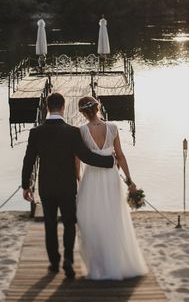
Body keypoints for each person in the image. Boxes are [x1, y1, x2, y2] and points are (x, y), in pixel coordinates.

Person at [21, 92, 115, 279]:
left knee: (50, 224)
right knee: (69, 224)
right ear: (63, 108)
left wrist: (26, 185)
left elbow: (28, 161)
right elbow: (87, 157)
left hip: (46, 187)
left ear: (47, 108)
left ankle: (54, 263)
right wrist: (109, 162)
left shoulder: (36, 132)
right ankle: (68, 262)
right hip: (67, 187)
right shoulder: (72, 132)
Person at [75, 95, 148, 280]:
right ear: (98, 108)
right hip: (111, 178)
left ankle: (97, 266)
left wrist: (78, 179)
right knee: (113, 218)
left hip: (91, 179)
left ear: (83, 112)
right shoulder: (113, 128)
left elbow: (77, 161)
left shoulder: (81, 131)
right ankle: (115, 263)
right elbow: (121, 156)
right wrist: (130, 181)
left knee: (91, 219)